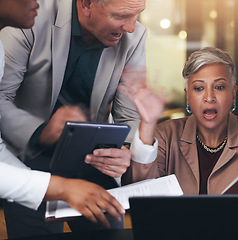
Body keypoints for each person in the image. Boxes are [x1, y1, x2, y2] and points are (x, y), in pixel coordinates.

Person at [0, 0, 147, 237]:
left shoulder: (135, 36)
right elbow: (0, 98)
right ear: (87, 4)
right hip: (29, 161)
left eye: (137, 15)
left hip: (92, 164)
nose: (131, 27)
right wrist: (41, 131)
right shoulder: (28, 17)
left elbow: (129, 114)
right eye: (122, 16)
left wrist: (126, 148)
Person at [120, 47, 238, 194]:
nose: (209, 97)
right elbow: (140, 191)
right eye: (199, 88)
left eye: (219, 87)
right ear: (187, 96)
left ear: (233, 94)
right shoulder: (164, 135)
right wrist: (148, 125)